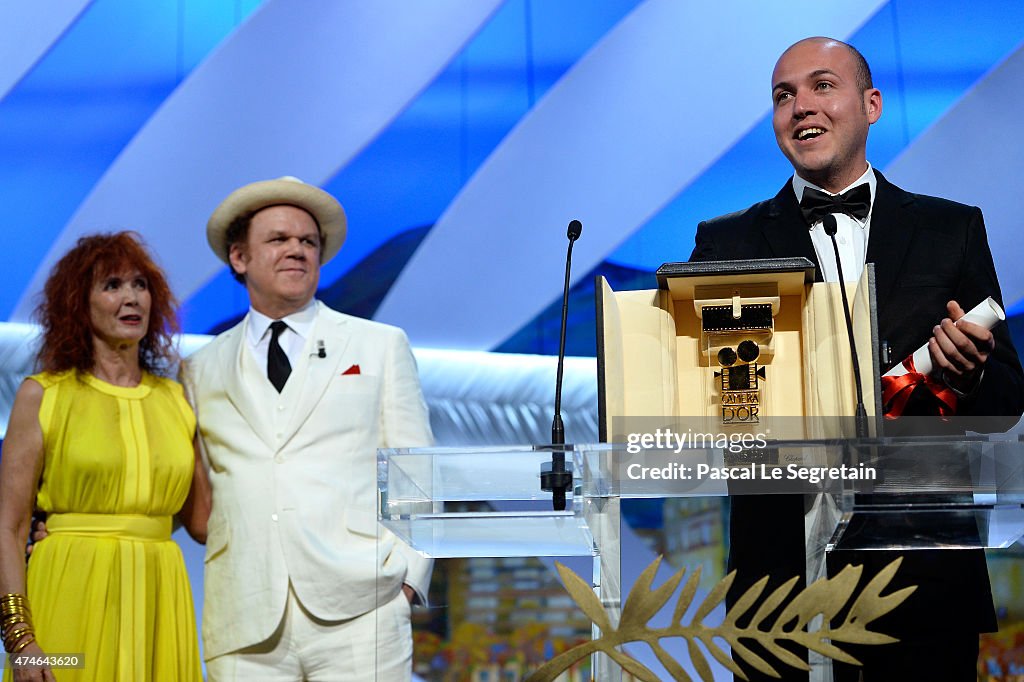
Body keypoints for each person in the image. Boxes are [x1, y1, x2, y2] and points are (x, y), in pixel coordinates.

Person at [690, 37, 1024, 681]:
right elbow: (710, 410)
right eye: (783, 96)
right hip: (779, 589)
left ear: (870, 105)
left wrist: (971, 371)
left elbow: (1010, 396)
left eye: (821, 86)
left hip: (925, 578)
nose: (799, 107)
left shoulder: (950, 229)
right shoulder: (724, 242)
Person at [182, 177, 433, 680]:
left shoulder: (378, 345)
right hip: (244, 618)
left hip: (363, 610)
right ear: (239, 258)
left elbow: (417, 470)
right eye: (278, 239)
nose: (297, 250)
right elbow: (197, 494)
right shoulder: (200, 368)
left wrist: (408, 581)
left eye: (308, 242)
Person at [0, 232, 207, 682]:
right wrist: (20, 640)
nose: (131, 298)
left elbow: (197, 519)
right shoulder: (44, 395)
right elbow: (10, 527)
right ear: (79, 302)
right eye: (112, 285)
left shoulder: (177, 399)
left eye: (140, 285)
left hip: (159, 598)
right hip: (69, 594)